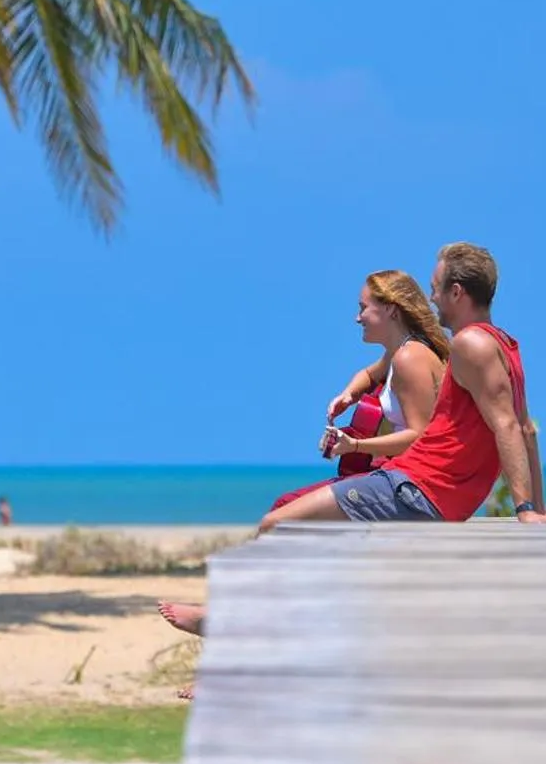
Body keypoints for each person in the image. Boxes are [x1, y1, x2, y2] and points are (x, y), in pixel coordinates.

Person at [158, 268, 448, 639]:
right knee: (287, 512)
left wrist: (355, 445)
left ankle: (229, 623)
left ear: (391, 309)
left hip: (410, 490)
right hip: (396, 480)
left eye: (364, 308)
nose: (357, 317)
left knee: (279, 524)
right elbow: (371, 374)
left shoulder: (411, 359)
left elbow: (418, 436)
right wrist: (349, 394)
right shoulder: (400, 352)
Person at [258, 241, 546, 530]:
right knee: (288, 509)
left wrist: (525, 512)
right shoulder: (504, 345)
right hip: (418, 486)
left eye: (435, 288)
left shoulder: (470, 345)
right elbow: (526, 429)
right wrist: (539, 508)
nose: (431, 298)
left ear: (456, 292)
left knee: (275, 524)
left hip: (416, 487)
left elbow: (507, 425)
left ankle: (247, 608)